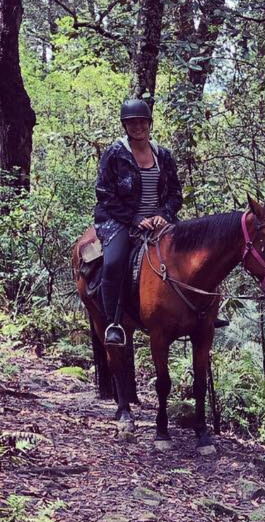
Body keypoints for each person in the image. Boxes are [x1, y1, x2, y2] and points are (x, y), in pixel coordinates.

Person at [93, 99, 183, 346]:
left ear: (149, 123)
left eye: (142, 121)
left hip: (159, 221)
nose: (138, 126)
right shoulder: (114, 154)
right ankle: (114, 322)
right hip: (119, 220)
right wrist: (134, 218)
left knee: (192, 251)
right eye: (132, 122)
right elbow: (105, 193)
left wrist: (163, 214)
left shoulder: (162, 155)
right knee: (114, 262)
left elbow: (175, 193)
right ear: (125, 125)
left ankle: (203, 312)